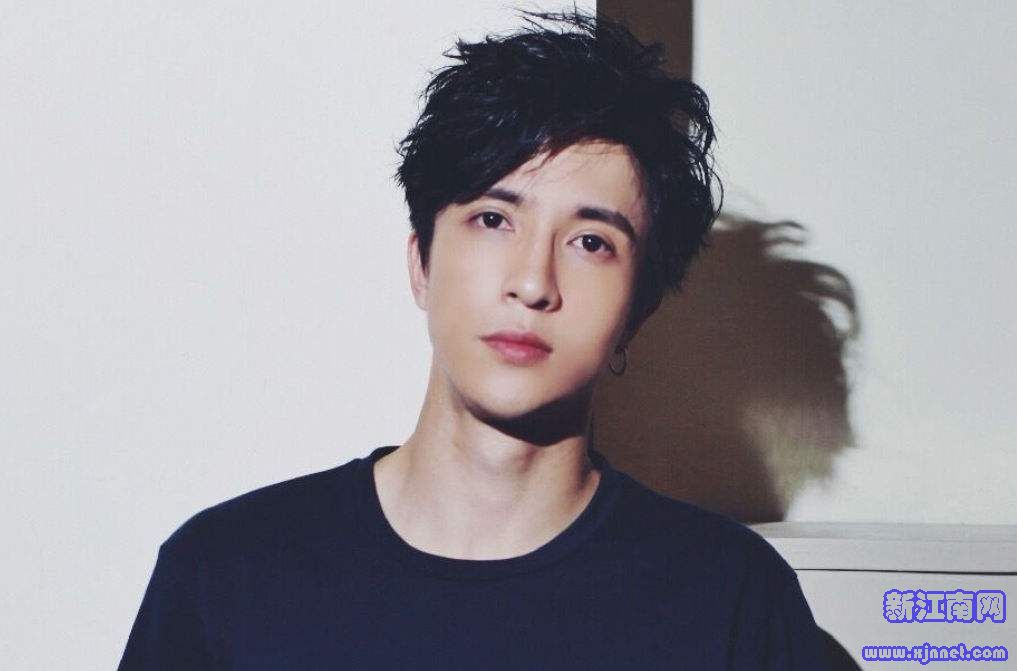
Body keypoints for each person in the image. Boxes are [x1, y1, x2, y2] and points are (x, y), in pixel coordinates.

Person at [118, 7, 832, 670]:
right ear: (421, 263)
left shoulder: (731, 598)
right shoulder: (225, 575)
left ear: (636, 313)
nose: (533, 282)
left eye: (590, 241)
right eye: (494, 220)